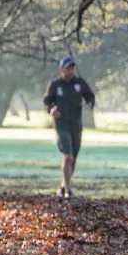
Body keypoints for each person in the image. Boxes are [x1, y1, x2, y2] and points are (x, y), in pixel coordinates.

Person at [45, 55, 97, 196]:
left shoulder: (79, 83)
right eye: (68, 67)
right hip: (62, 125)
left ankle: (63, 186)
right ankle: (68, 191)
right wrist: (52, 110)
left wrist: (89, 105)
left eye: (72, 67)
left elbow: (90, 97)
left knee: (73, 158)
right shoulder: (55, 85)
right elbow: (47, 101)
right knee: (67, 156)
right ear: (62, 69)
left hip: (76, 125)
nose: (71, 70)